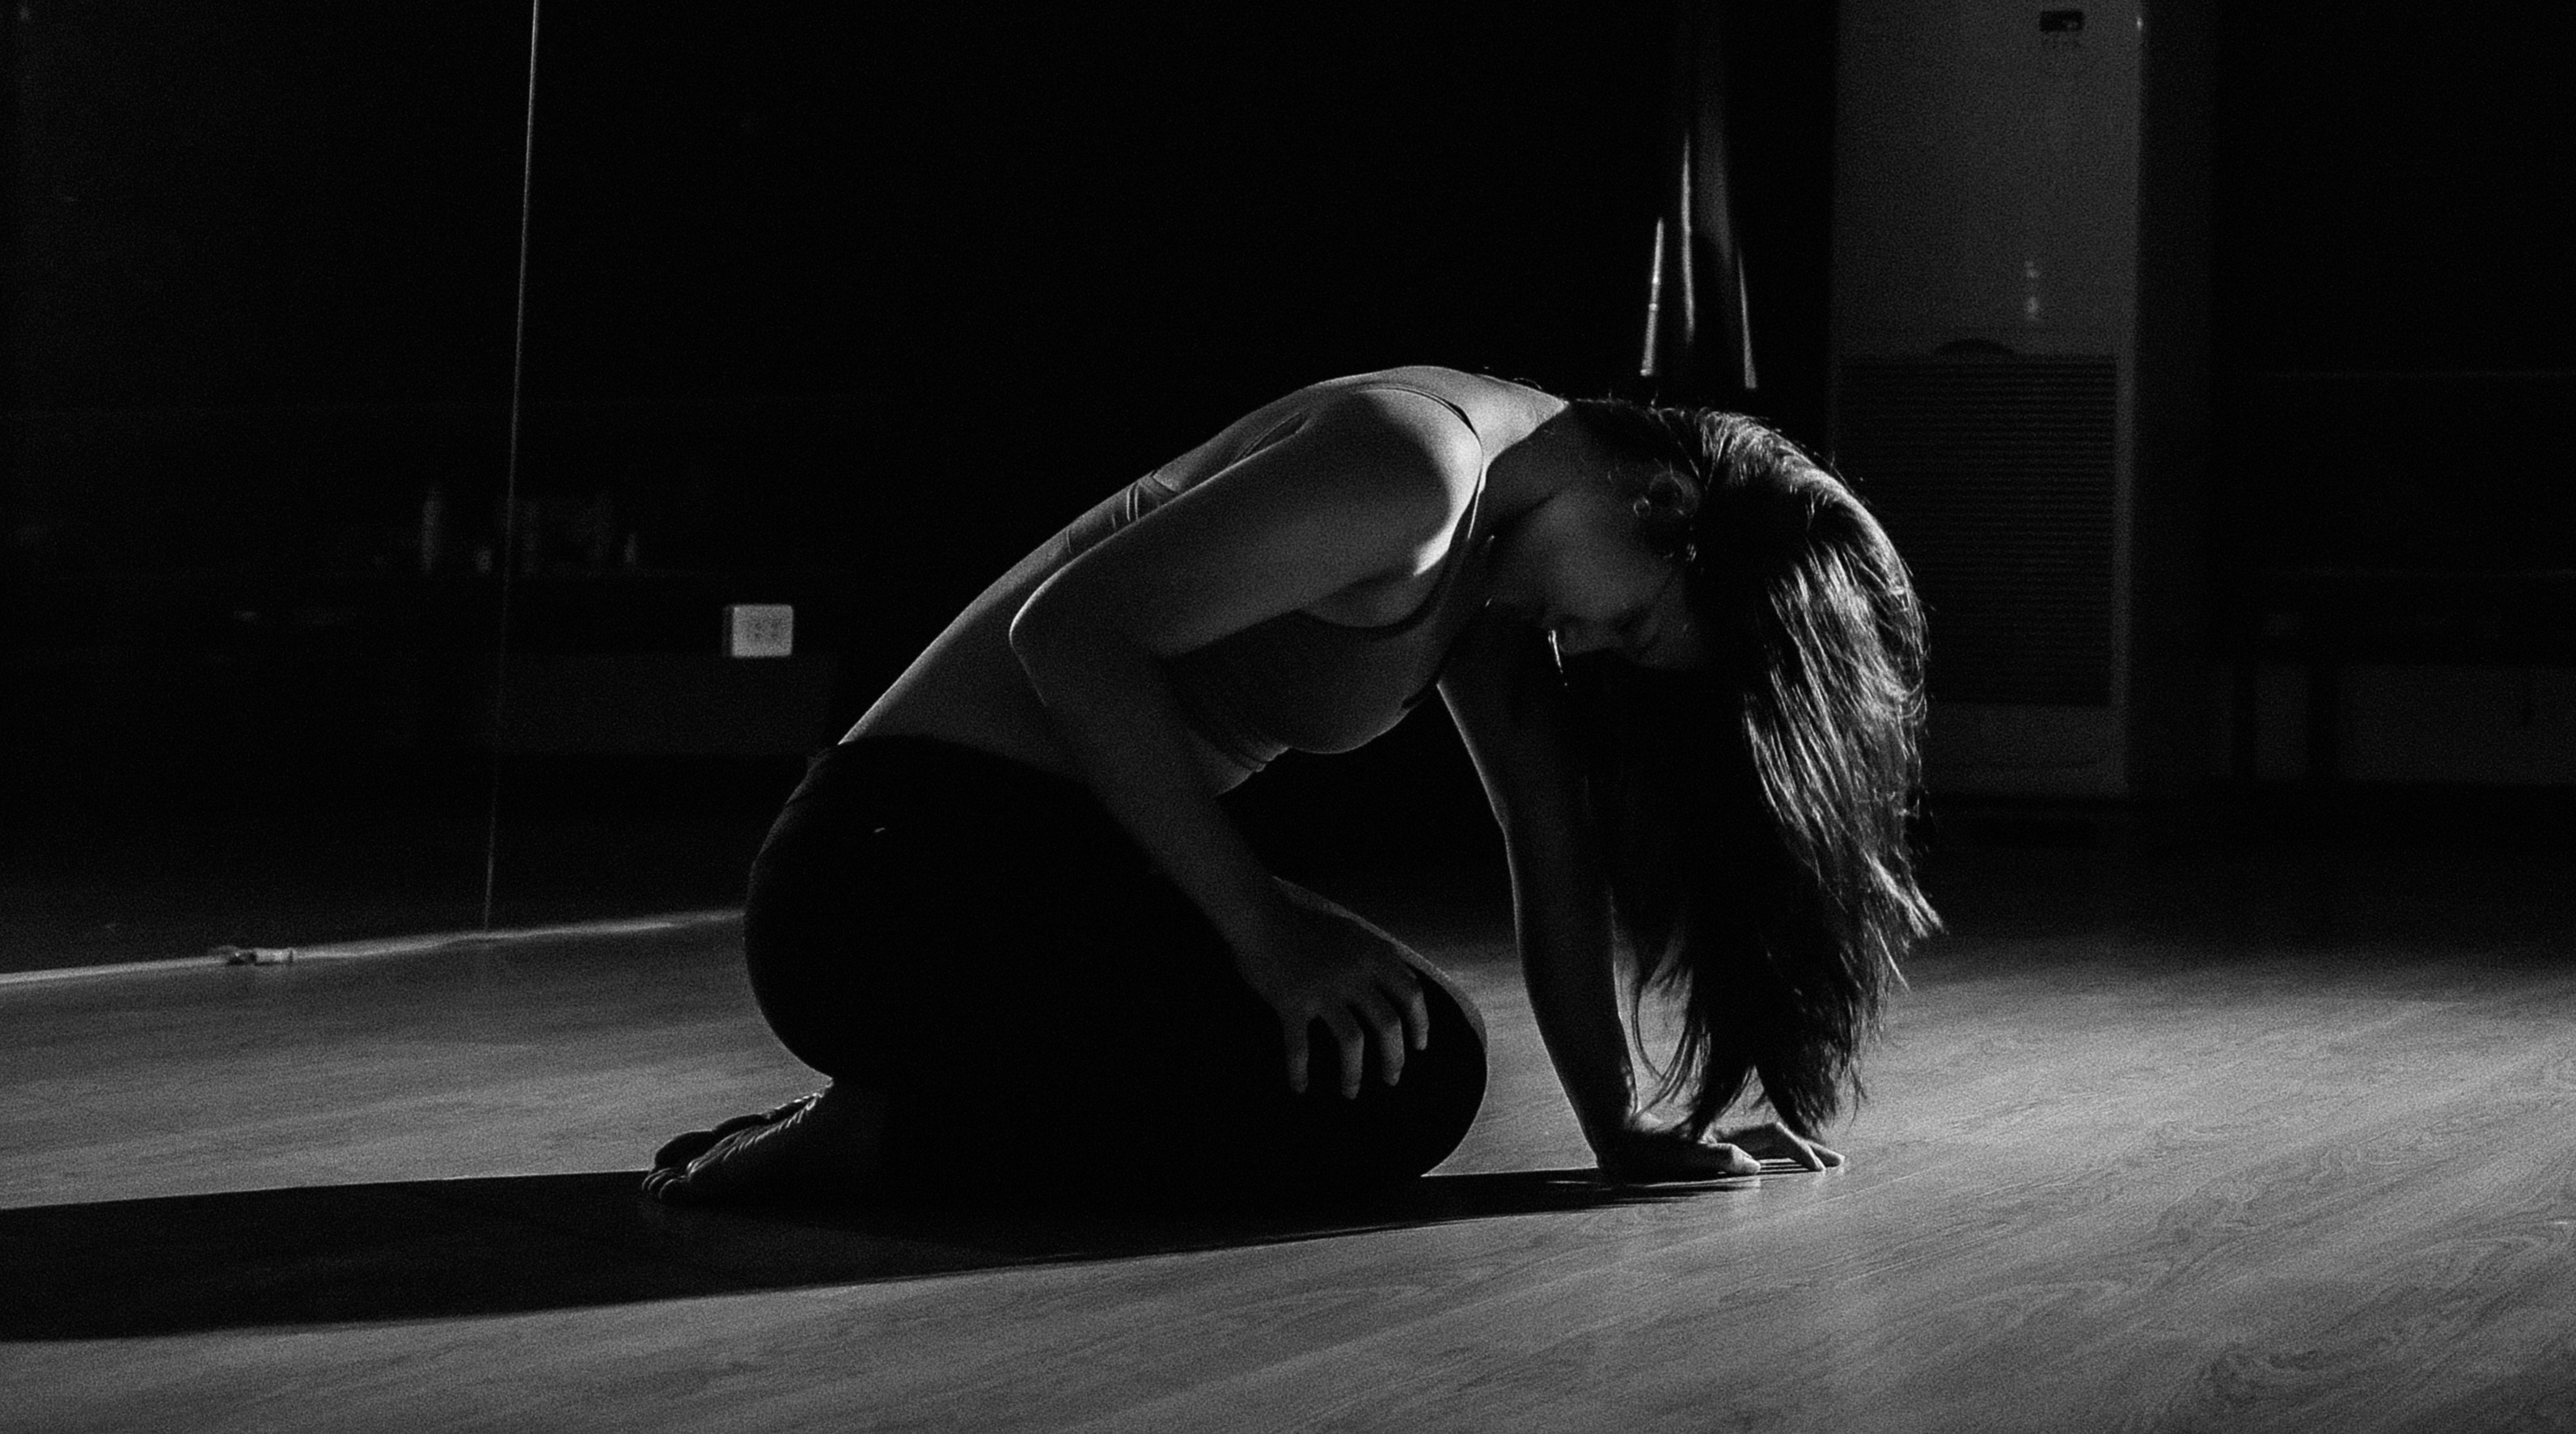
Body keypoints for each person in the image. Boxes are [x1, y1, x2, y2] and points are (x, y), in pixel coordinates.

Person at [641, 367, 1935, 1206]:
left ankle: (911, 1106)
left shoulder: (1501, 561)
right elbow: (1067, 637)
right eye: (1637, 623)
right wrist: (1259, 927)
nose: (1592, 648)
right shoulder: (1415, 470)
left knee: (1408, 1065)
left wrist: (1622, 1126)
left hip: (1033, 870)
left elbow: (1549, 837)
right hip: (889, 872)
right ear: (1660, 501)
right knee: (1388, 1080)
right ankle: (886, 1134)